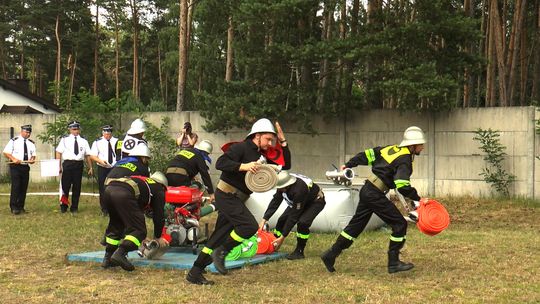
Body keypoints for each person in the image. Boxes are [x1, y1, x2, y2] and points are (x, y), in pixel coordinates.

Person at [186, 118, 291, 285]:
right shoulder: (240, 147)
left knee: (217, 237)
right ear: (257, 135)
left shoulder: (261, 156)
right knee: (248, 227)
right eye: (268, 139)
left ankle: (195, 272)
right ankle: (222, 252)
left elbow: (285, 166)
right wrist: (244, 166)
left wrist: (283, 142)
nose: (270, 143)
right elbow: (221, 163)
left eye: (272, 140)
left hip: (236, 199)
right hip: (226, 195)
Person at [321, 126, 426, 274]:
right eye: (421, 144)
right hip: (375, 194)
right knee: (399, 223)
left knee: (355, 227)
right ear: (412, 145)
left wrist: (350, 163)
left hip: (368, 190)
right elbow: (402, 185)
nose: (422, 147)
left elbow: (368, 154)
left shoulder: (392, 149)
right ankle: (393, 262)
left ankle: (330, 255)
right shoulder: (405, 160)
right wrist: (418, 198)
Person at [101, 171, 168, 271]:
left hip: (108, 190)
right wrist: (158, 237)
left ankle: (108, 258)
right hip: (123, 193)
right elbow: (159, 216)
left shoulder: (143, 180)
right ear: (163, 185)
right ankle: (120, 253)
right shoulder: (159, 189)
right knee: (139, 230)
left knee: (116, 224)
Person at [259, 171, 326, 260]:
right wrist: (264, 219)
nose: (279, 189)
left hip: (314, 201)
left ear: (287, 185)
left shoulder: (299, 190)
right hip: (299, 201)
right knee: (282, 220)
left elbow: (294, 217)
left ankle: (299, 251)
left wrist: (283, 237)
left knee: (303, 223)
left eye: (280, 188)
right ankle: (273, 243)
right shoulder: (282, 183)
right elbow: (276, 201)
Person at [55, 121, 93, 213]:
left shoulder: (84, 141)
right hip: (68, 164)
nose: (76, 131)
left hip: (78, 164)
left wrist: (90, 167)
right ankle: (64, 206)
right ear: (70, 129)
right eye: (74, 129)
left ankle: (74, 207)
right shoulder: (64, 140)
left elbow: (87, 155)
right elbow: (58, 152)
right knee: (65, 186)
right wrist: (58, 165)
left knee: (77, 187)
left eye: (77, 129)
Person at [2, 124, 36, 214]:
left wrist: (32, 160)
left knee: (23, 187)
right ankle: (14, 207)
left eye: (29, 132)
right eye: (26, 132)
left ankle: (21, 206)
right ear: (21, 131)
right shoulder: (14, 141)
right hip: (15, 167)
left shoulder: (31, 143)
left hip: (25, 166)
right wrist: (13, 159)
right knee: (16, 186)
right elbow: (6, 152)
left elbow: (33, 155)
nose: (28, 134)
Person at [89, 125, 119, 215]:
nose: (107, 136)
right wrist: (100, 161)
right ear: (103, 133)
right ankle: (104, 209)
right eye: (106, 134)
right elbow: (92, 155)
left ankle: (115, 208)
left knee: (115, 188)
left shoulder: (117, 141)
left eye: (109, 134)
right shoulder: (97, 142)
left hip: (114, 167)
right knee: (103, 188)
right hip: (103, 167)